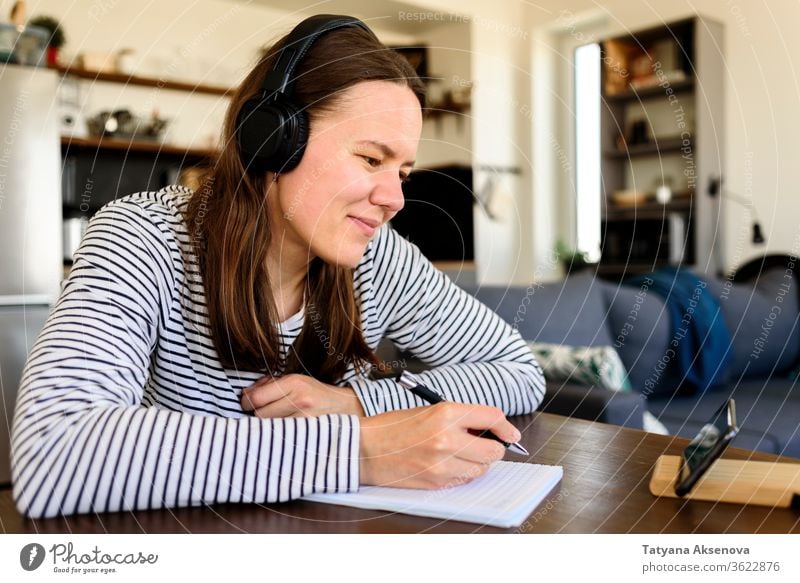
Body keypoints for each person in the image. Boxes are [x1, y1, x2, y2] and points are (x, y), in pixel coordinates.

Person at [11, 15, 544, 519]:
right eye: (370, 158)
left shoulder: (380, 256)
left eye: (403, 171)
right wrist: (359, 450)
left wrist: (355, 403)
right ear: (273, 140)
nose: (395, 198)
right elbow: (52, 449)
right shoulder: (141, 237)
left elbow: (519, 373)